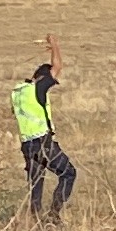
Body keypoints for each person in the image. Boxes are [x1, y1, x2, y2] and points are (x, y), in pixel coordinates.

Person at [11, 36, 75, 221]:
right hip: (42, 143)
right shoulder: (37, 88)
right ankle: (54, 216)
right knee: (69, 173)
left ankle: (35, 223)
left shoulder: (17, 92)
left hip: (26, 144)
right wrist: (55, 45)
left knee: (35, 185)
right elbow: (57, 67)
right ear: (42, 77)